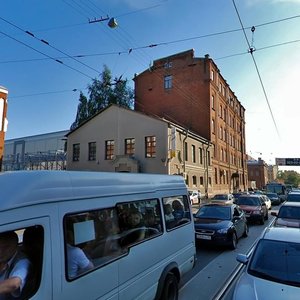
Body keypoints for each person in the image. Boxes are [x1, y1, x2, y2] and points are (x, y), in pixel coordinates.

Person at [0, 231, 31, 299]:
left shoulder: (22, 261)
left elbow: (14, 283)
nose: (1, 251)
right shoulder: (5, 259)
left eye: (5, 247)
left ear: (15, 246)